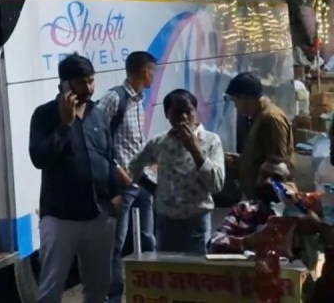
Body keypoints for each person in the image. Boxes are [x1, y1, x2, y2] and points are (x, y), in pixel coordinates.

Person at [29, 54, 122, 303]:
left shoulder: (98, 115)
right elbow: (38, 158)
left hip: (99, 215)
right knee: (51, 286)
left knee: (98, 286)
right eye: (82, 83)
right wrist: (65, 125)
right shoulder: (44, 115)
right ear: (65, 84)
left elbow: (108, 157)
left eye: (92, 81)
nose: (89, 89)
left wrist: (116, 195)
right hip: (61, 217)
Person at [129, 89, 225, 254]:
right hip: (166, 222)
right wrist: (153, 188)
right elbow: (134, 166)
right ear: (167, 114)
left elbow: (216, 184)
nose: (184, 118)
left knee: (197, 271)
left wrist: (194, 149)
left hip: (197, 221)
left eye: (189, 112)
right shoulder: (160, 142)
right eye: (177, 113)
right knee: (168, 270)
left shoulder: (210, 141)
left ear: (196, 111)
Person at [97, 51, 157, 303]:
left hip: (143, 180)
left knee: (147, 238)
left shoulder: (139, 100)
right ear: (145, 71)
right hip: (122, 183)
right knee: (117, 243)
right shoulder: (114, 98)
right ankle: (115, 296)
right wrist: (116, 168)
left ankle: (152, 289)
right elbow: (96, 136)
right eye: (153, 70)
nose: (154, 74)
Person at [207, 157, 323, 254]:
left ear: (290, 183)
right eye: (264, 176)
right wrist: (249, 241)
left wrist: (296, 204)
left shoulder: (298, 213)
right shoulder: (244, 210)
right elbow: (214, 243)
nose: (268, 182)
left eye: (276, 178)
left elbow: (316, 227)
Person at [225, 72, 294, 200]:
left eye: (235, 100)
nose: (235, 106)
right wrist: (242, 161)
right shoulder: (258, 117)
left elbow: (278, 166)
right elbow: (261, 157)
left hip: (268, 200)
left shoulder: (271, 119)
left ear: (246, 99)